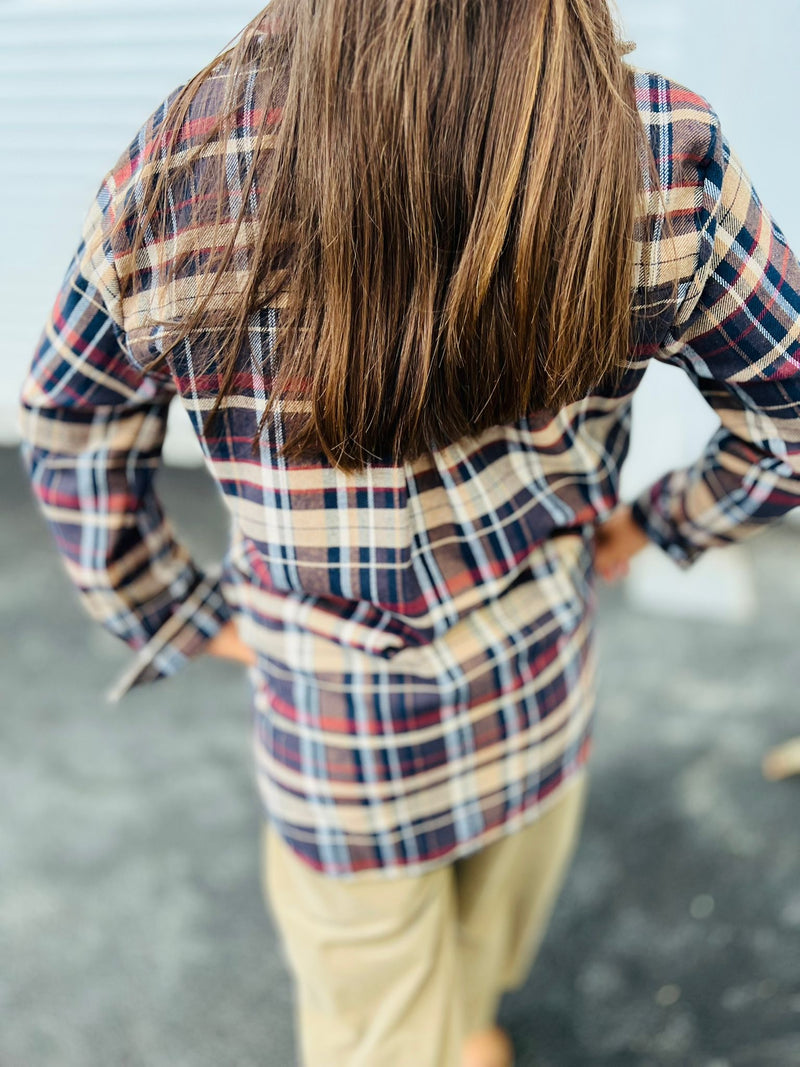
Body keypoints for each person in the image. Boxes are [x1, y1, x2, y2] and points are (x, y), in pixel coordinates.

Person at [16, 2, 800, 1065]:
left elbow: (72, 416)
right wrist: (649, 526)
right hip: (536, 672)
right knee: (489, 938)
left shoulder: (188, 162)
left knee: (375, 1019)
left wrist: (165, 605)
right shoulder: (651, 150)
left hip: (334, 729)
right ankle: (463, 1027)